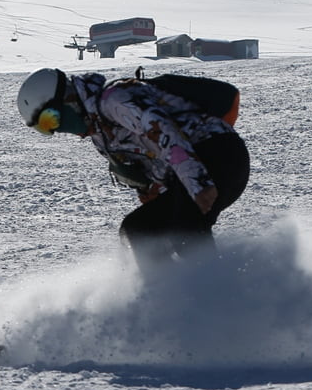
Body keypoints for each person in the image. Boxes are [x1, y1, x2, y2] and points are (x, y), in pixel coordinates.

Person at [16, 68, 249, 272]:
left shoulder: (115, 98)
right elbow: (150, 168)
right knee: (139, 230)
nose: (57, 130)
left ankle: (219, 295)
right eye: (44, 129)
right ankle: (170, 294)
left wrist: (196, 181)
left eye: (51, 119)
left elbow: (162, 131)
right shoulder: (100, 134)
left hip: (218, 154)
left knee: (184, 230)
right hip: (190, 171)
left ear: (67, 98)